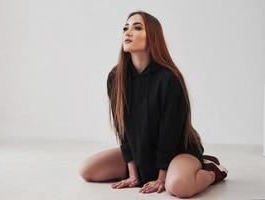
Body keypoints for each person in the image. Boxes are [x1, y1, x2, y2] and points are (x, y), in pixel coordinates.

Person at [79, 10, 228, 198]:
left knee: (178, 187)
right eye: (125, 28)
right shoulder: (115, 77)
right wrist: (133, 174)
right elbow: (122, 129)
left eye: (137, 27)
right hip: (142, 150)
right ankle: (149, 171)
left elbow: (170, 133)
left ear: (153, 37)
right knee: (87, 170)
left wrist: (161, 178)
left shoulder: (169, 78)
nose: (128, 32)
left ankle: (210, 170)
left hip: (177, 150)